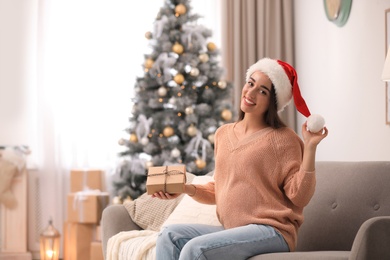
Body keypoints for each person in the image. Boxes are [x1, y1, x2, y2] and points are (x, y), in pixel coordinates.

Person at [152, 57, 329, 260]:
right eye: (250, 83)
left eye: (263, 91)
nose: (251, 93)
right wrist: (184, 188)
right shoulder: (223, 134)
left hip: (272, 231)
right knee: (169, 236)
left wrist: (310, 147)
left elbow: (300, 196)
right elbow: (219, 190)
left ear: (273, 102)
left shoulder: (283, 139)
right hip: (233, 229)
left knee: (195, 250)